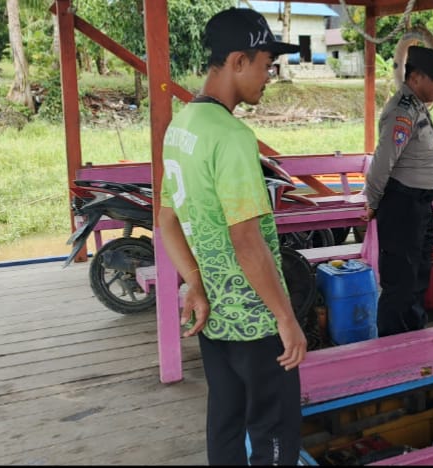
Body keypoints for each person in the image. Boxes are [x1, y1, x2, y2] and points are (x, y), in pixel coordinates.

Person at [156, 8, 307, 465]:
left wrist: (195, 283)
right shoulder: (233, 136)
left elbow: (166, 219)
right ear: (239, 61)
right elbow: (246, 240)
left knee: (225, 421)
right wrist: (285, 317)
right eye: (266, 65)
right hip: (256, 321)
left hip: (215, 318)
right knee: (274, 432)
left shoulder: (181, 127)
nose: (269, 76)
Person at [361, 46, 433, 337]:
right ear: (414, 77)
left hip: (420, 206)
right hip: (402, 205)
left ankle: (413, 340)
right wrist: (372, 201)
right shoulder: (402, 110)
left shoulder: (416, 106)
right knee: (400, 282)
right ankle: (392, 348)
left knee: (417, 278)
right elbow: (382, 161)